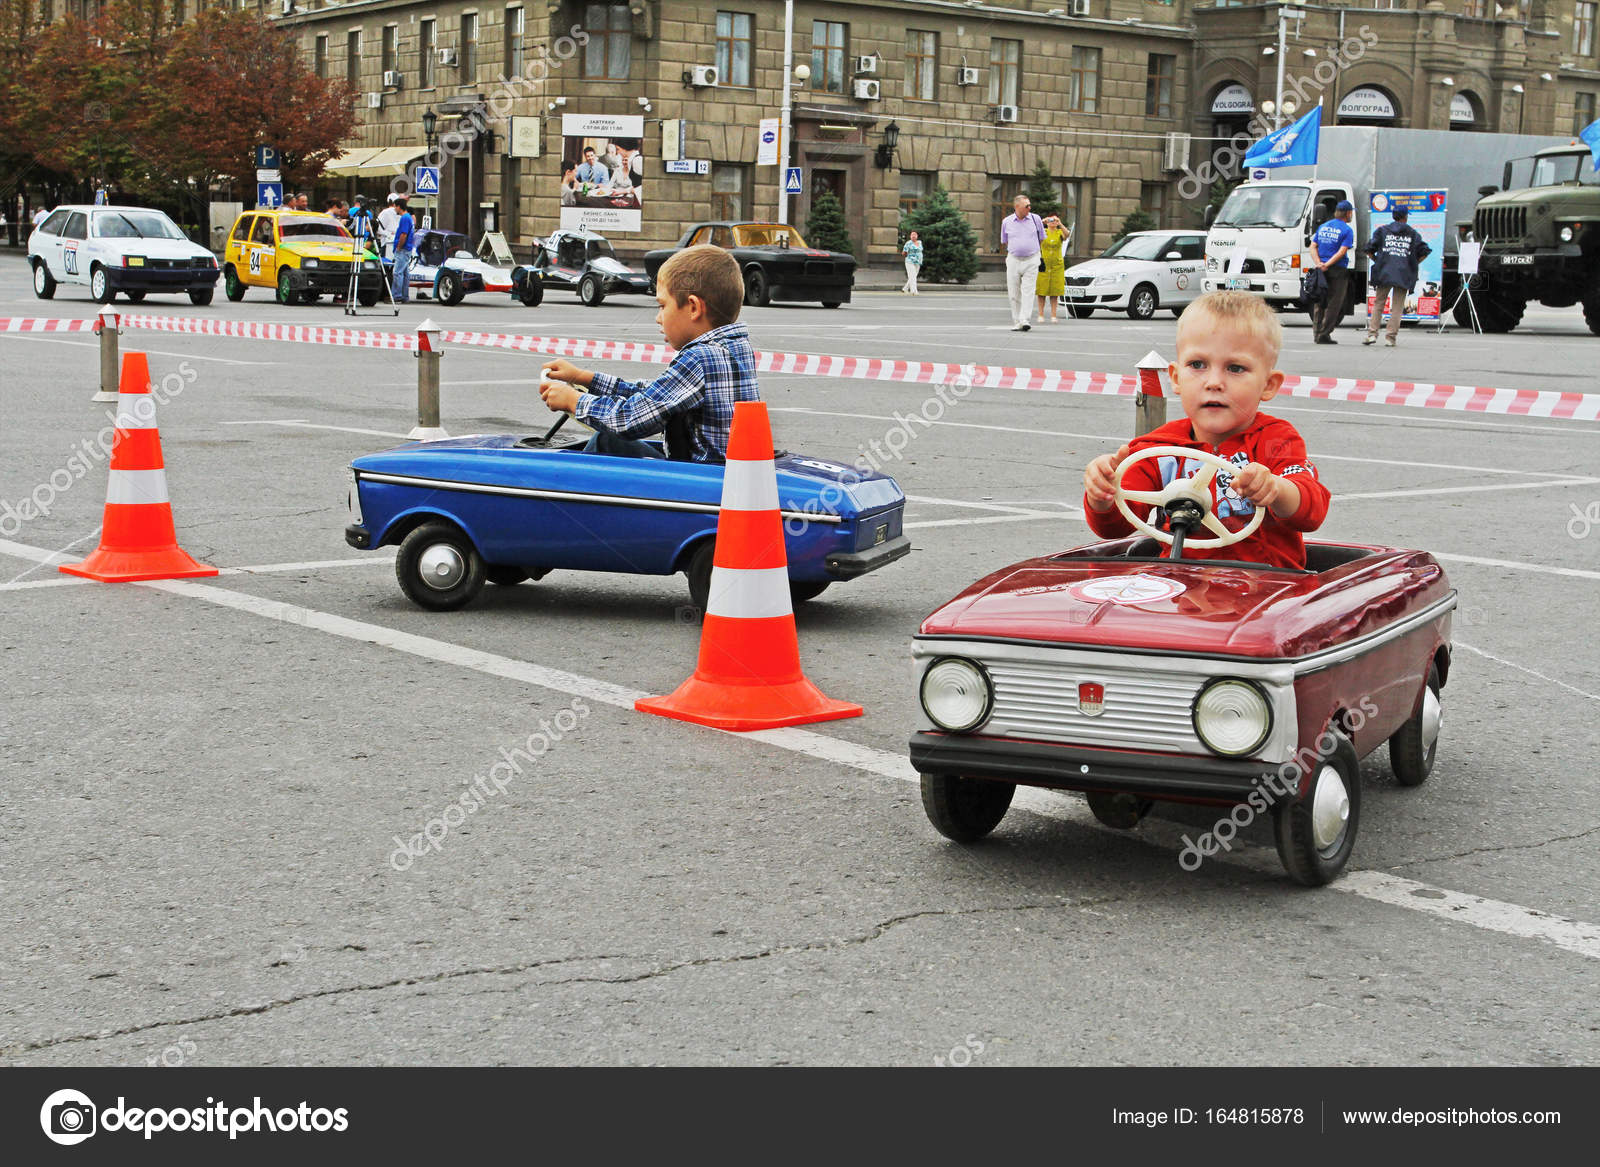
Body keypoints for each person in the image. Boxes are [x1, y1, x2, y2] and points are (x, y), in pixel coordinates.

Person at [1082, 290, 1331, 570]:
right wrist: (1102, 494)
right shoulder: (1155, 448)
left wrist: (1278, 490)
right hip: (1179, 588)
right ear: (1176, 378)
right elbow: (1115, 526)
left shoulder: (1277, 440)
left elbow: (1313, 509)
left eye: (1235, 368)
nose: (1214, 382)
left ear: (1269, 384)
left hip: (1266, 590)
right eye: (1197, 365)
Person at [536, 245, 758, 463]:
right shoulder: (734, 348)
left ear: (693, 308)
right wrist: (584, 378)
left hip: (699, 484)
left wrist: (575, 401)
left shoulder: (700, 358)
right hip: (726, 475)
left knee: (607, 440)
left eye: (662, 306)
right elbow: (655, 395)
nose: (658, 317)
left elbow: (630, 420)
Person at [1363, 205, 1431, 348]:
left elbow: (1368, 250)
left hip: (1384, 272)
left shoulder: (1382, 231)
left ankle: (1372, 334)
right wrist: (1412, 263)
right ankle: (1390, 338)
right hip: (1403, 273)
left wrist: (1378, 260)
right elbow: (1425, 251)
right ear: (1405, 217)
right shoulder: (1412, 234)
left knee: (1379, 303)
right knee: (1397, 307)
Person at [1311, 200, 1355, 345]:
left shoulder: (1323, 226)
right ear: (1348, 213)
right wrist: (1328, 264)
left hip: (1320, 269)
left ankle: (1317, 333)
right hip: (1337, 270)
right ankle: (1324, 334)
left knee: (1320, 301)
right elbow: (1341, 252)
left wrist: (1319, 263)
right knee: (1334, 303)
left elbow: (1313, 246)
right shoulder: (1347, 230)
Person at [1001, 194, 1045, 331]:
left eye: (1030, 205)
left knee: (1028, 291)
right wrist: (1017, 248)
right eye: (1027, 206)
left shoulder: (1035, 219)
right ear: (1017, 207)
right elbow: (1005, 240)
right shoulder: (1007, 221)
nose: (1029, 208)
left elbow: (1041, 238)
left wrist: (1030, 249)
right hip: (1014, 259)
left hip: (1032, 258)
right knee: (1013, 292)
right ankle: (1017, 321)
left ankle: (1024, 319)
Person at [1036, 214, 1069, 323]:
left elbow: (1067, 234)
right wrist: (1041, 222)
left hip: (1056, 265)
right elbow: (1034, 233)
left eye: (1054, 220)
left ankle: (1053, 315)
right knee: (1042, 291)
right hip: (1044, 264)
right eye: (1050, 220)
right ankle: (1040, 314)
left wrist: (1060, 224)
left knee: (1054, 291)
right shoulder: (1043, 231)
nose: (1052, 222)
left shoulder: (1059, 232)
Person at [389, 197, 416, 304]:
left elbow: (403, 234)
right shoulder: (409, 218)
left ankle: (396, 295)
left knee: (397, 273)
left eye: (395, 206)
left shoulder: (404, 218)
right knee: (404, 273)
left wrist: (399, 247)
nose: (394, 208)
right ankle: (404, 296)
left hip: (403, 249)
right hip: (407, 248)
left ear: (399, 206)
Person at [377, 193, 401, 258]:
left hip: (386, 243)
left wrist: (388, 234)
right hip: (398, 242)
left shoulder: (385, 212)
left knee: (386, 265)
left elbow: (378, 227)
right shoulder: (401, 212)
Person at [901, 230, 923, 295]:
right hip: (910, 262)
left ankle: (905, 288)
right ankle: (914, 291)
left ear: (917, 236)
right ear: (910, 236)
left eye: (915, 235)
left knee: (913, 276)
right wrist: (907, 256)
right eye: (912, 235)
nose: (913, 236)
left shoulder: (919, 242)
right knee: (913, 276)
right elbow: (903, 253)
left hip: (918, 262)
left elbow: (920, 251)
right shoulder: (908, 243)